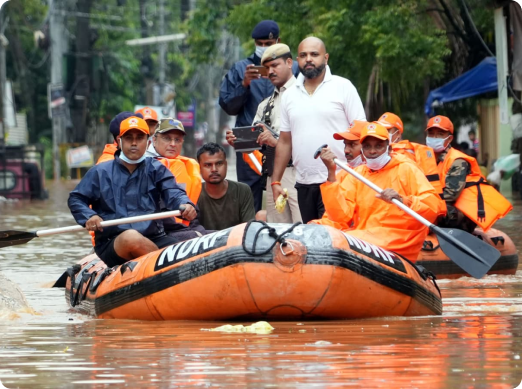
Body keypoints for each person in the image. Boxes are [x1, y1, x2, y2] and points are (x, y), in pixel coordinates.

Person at [68, 116, 197, 268]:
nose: (134, 143)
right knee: (131, 238)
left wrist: (185, 204)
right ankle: (168, 268)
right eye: (129, 138)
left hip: (154, 237)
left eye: (140, 138)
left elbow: (174, 192)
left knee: (187, 248)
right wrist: (89, 216)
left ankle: (166, 268)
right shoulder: (100, 172)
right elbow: (76, 199)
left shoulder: (157, 169)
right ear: (119, 141)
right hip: (113, 242)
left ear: (148, 142)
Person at [271, 36, 366, 224]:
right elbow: (284, 141)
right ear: (297, 60)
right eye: (303, 55)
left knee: (336, 238)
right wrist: (276, 181)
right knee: (312, 241)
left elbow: (360, 132)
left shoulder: (343, 87)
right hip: (304, 183)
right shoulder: (289, 95)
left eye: (314, 54)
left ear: (326, 58)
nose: (308, 59)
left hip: (340, 181)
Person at [318, 122, 441, 261]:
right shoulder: (358, 174)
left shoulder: (406, 169)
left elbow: (432, 206)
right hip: (368, 237)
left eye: (378, 146)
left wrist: (403, 200)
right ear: (362, 149)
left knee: (344, 241)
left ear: (388, 148)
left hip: (400, 239)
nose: (372, 151)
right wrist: (331, 173)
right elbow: (340, 217)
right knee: (326, 234)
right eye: (367, 146)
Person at [219, 20, 298, 213]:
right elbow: (228, 106)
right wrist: (244, 84)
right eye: (260, 43)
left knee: (288, 196)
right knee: (249, 197)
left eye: (268, 44)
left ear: (278, 41)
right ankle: (250, 237)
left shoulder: (294, 68)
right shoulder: (240, 69)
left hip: (284, 143)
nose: (264, 48)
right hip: (250, 145)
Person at [426, 115, 512, 233]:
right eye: (431, 134)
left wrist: (422, 201)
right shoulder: (427, 158)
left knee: (424, 208)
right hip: (438, 204)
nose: (434, 137)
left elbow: (450, 195)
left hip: (458, 212)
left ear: (450, 139)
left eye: (440, 134)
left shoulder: (457, 161)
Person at [310, 120, 367, 230]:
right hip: (342, 230)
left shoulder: (376, 174)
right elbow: (335, 217)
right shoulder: (343, 173)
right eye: (345, 144)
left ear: (367, 146)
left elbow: (344, 219)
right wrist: (331, 171)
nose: (346, 150)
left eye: (352, 144)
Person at [377, 112, 445, 199]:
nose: (381, 133)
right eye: (380, 129)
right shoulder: (383, 154)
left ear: (397, 134)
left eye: (387, 130)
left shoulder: (406, 154)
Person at [196, 143, 255, 231]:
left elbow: (248, 228)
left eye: (219, 163)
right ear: (199, 168)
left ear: (226, 165)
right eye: (208, 165)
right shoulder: (194, 193)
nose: (214, 169)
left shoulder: (242, 190)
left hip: (236, 241)